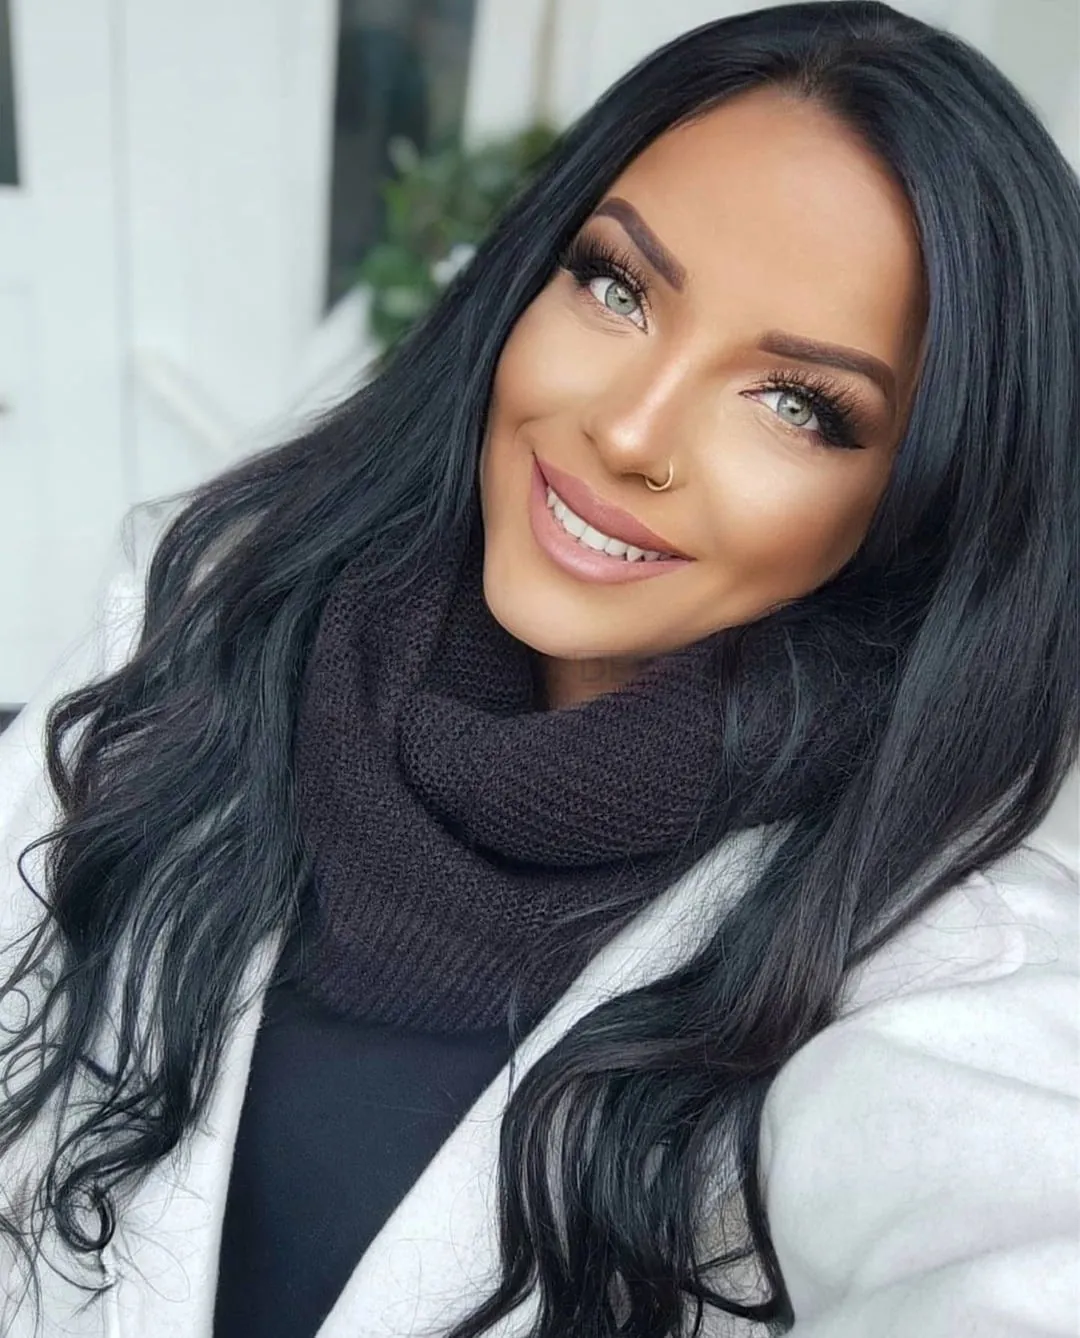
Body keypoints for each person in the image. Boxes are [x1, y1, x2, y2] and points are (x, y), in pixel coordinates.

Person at [1, 2, 1077, 1335]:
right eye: (618, 286)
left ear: (928, 506)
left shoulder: (934, 950)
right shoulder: (218, 605)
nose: (626, 431)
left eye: (799, 404)